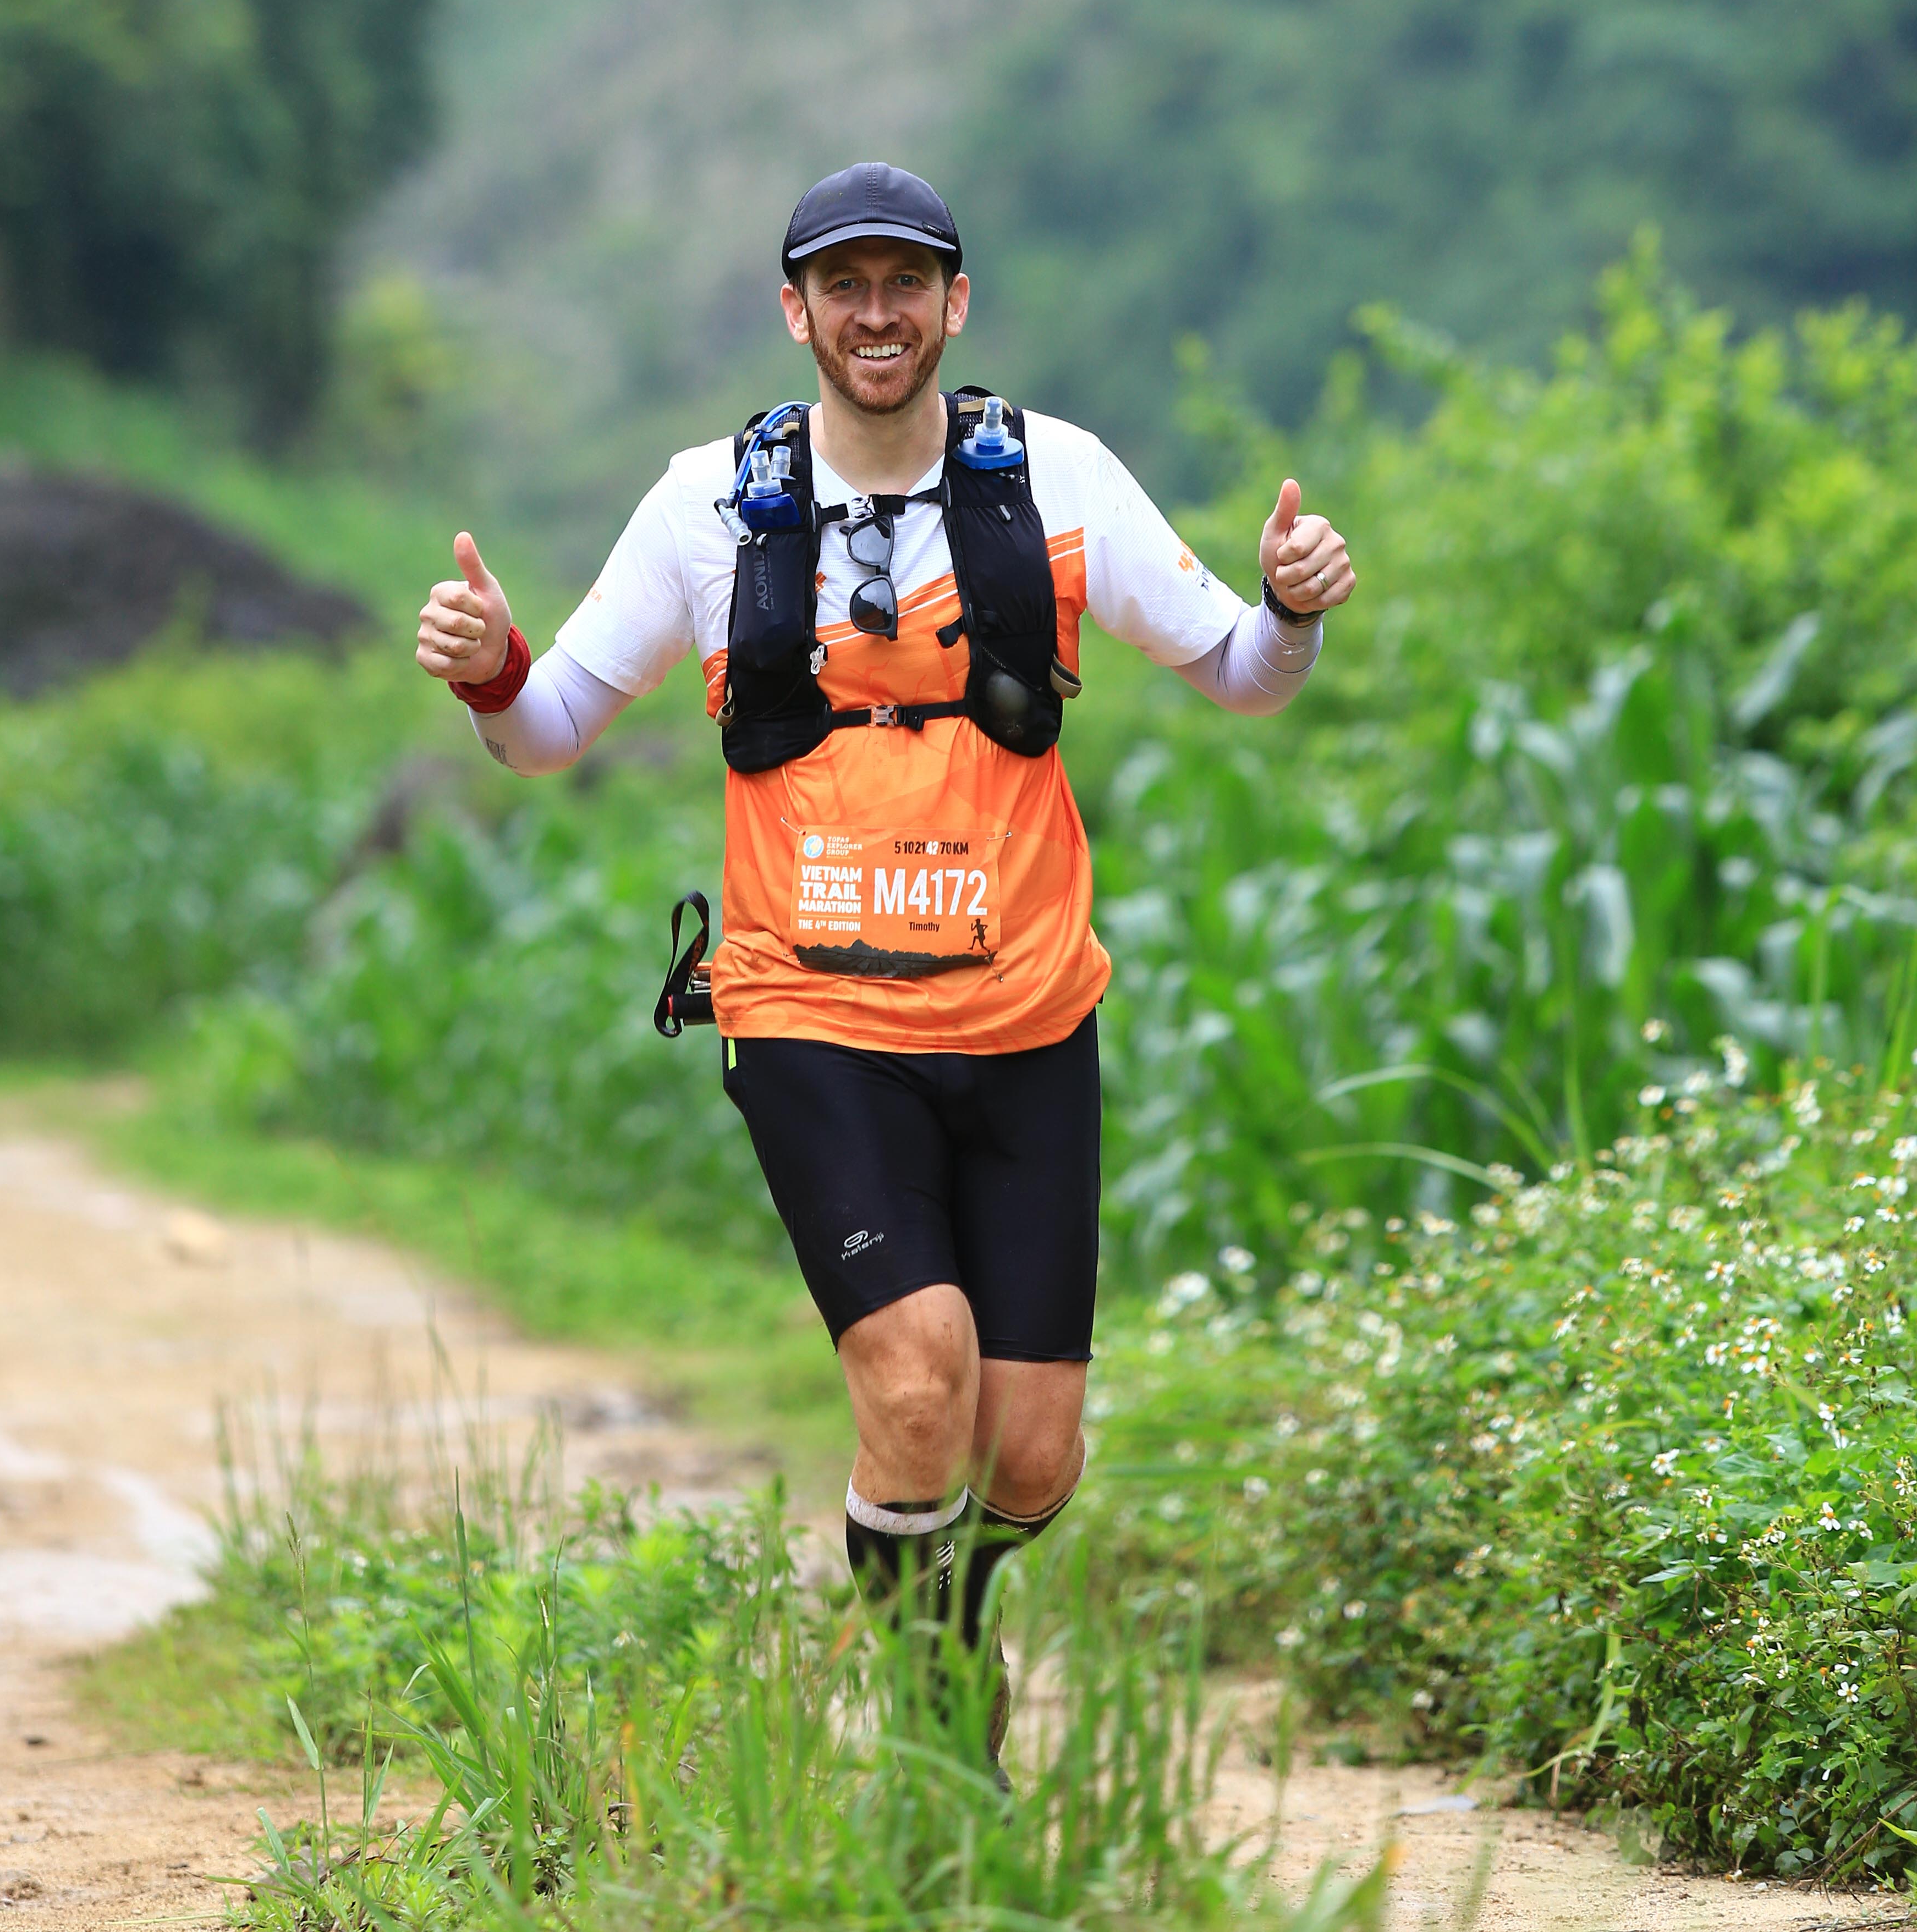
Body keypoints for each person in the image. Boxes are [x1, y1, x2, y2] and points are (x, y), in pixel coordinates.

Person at [414, 163, 1354, 1770]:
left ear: (954, 305)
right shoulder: (705, 506)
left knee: (1033, 1456)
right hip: (808, 1012)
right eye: (841, 286)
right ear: (794, 312)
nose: (875, 314)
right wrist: (494, 667)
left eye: (904, 283)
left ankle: (946, 1613)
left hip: (1027, 1014)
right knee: (919, 1384)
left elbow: (1244, 676)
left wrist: (1290, 607)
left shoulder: (1056, 480)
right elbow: (550, 731)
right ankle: (936, 1733)